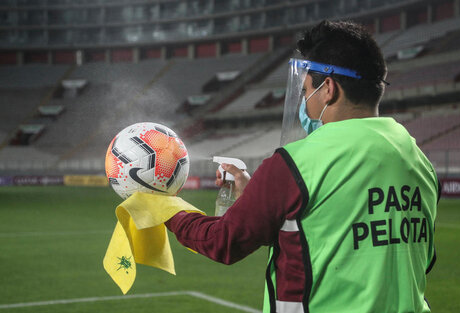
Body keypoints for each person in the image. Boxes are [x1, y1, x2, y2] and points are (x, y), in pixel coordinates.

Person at [165, 20, 440, 313]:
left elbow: (224, 241)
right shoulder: (419, 161)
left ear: (329, 88)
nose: (304, 101)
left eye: (307, 88)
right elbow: (416, 257)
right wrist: (258, 196)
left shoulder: (295, 163)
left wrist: (166, 209)